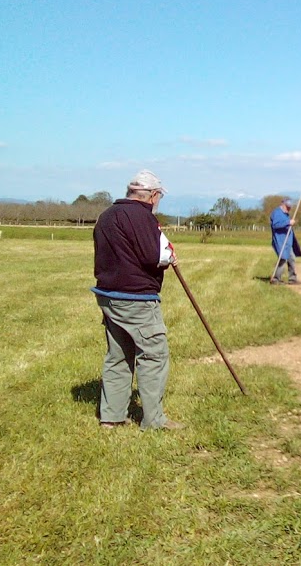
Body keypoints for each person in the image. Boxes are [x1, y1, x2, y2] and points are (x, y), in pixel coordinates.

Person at [92, 169, 183, 431]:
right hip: (137, 298)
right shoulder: (142, 217)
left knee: (118, 356)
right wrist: (167, 257)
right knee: (154, 355)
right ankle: (154, 420)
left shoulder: (106, 216)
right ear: (153, 195)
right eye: (158, 198)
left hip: (109, 295)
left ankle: (111, 417)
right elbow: (150, 255)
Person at [270, 197, 301, 284]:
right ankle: (276, 279)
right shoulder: (277, 212)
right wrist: (288, 222)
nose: (289, 208)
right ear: (283, 204)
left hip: (288, 241)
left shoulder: (286, 214)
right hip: (280, 240)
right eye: (288, 207)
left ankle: (292, 279)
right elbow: (275, 225)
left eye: (290, 207)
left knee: (291, 258)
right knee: (283, 258)